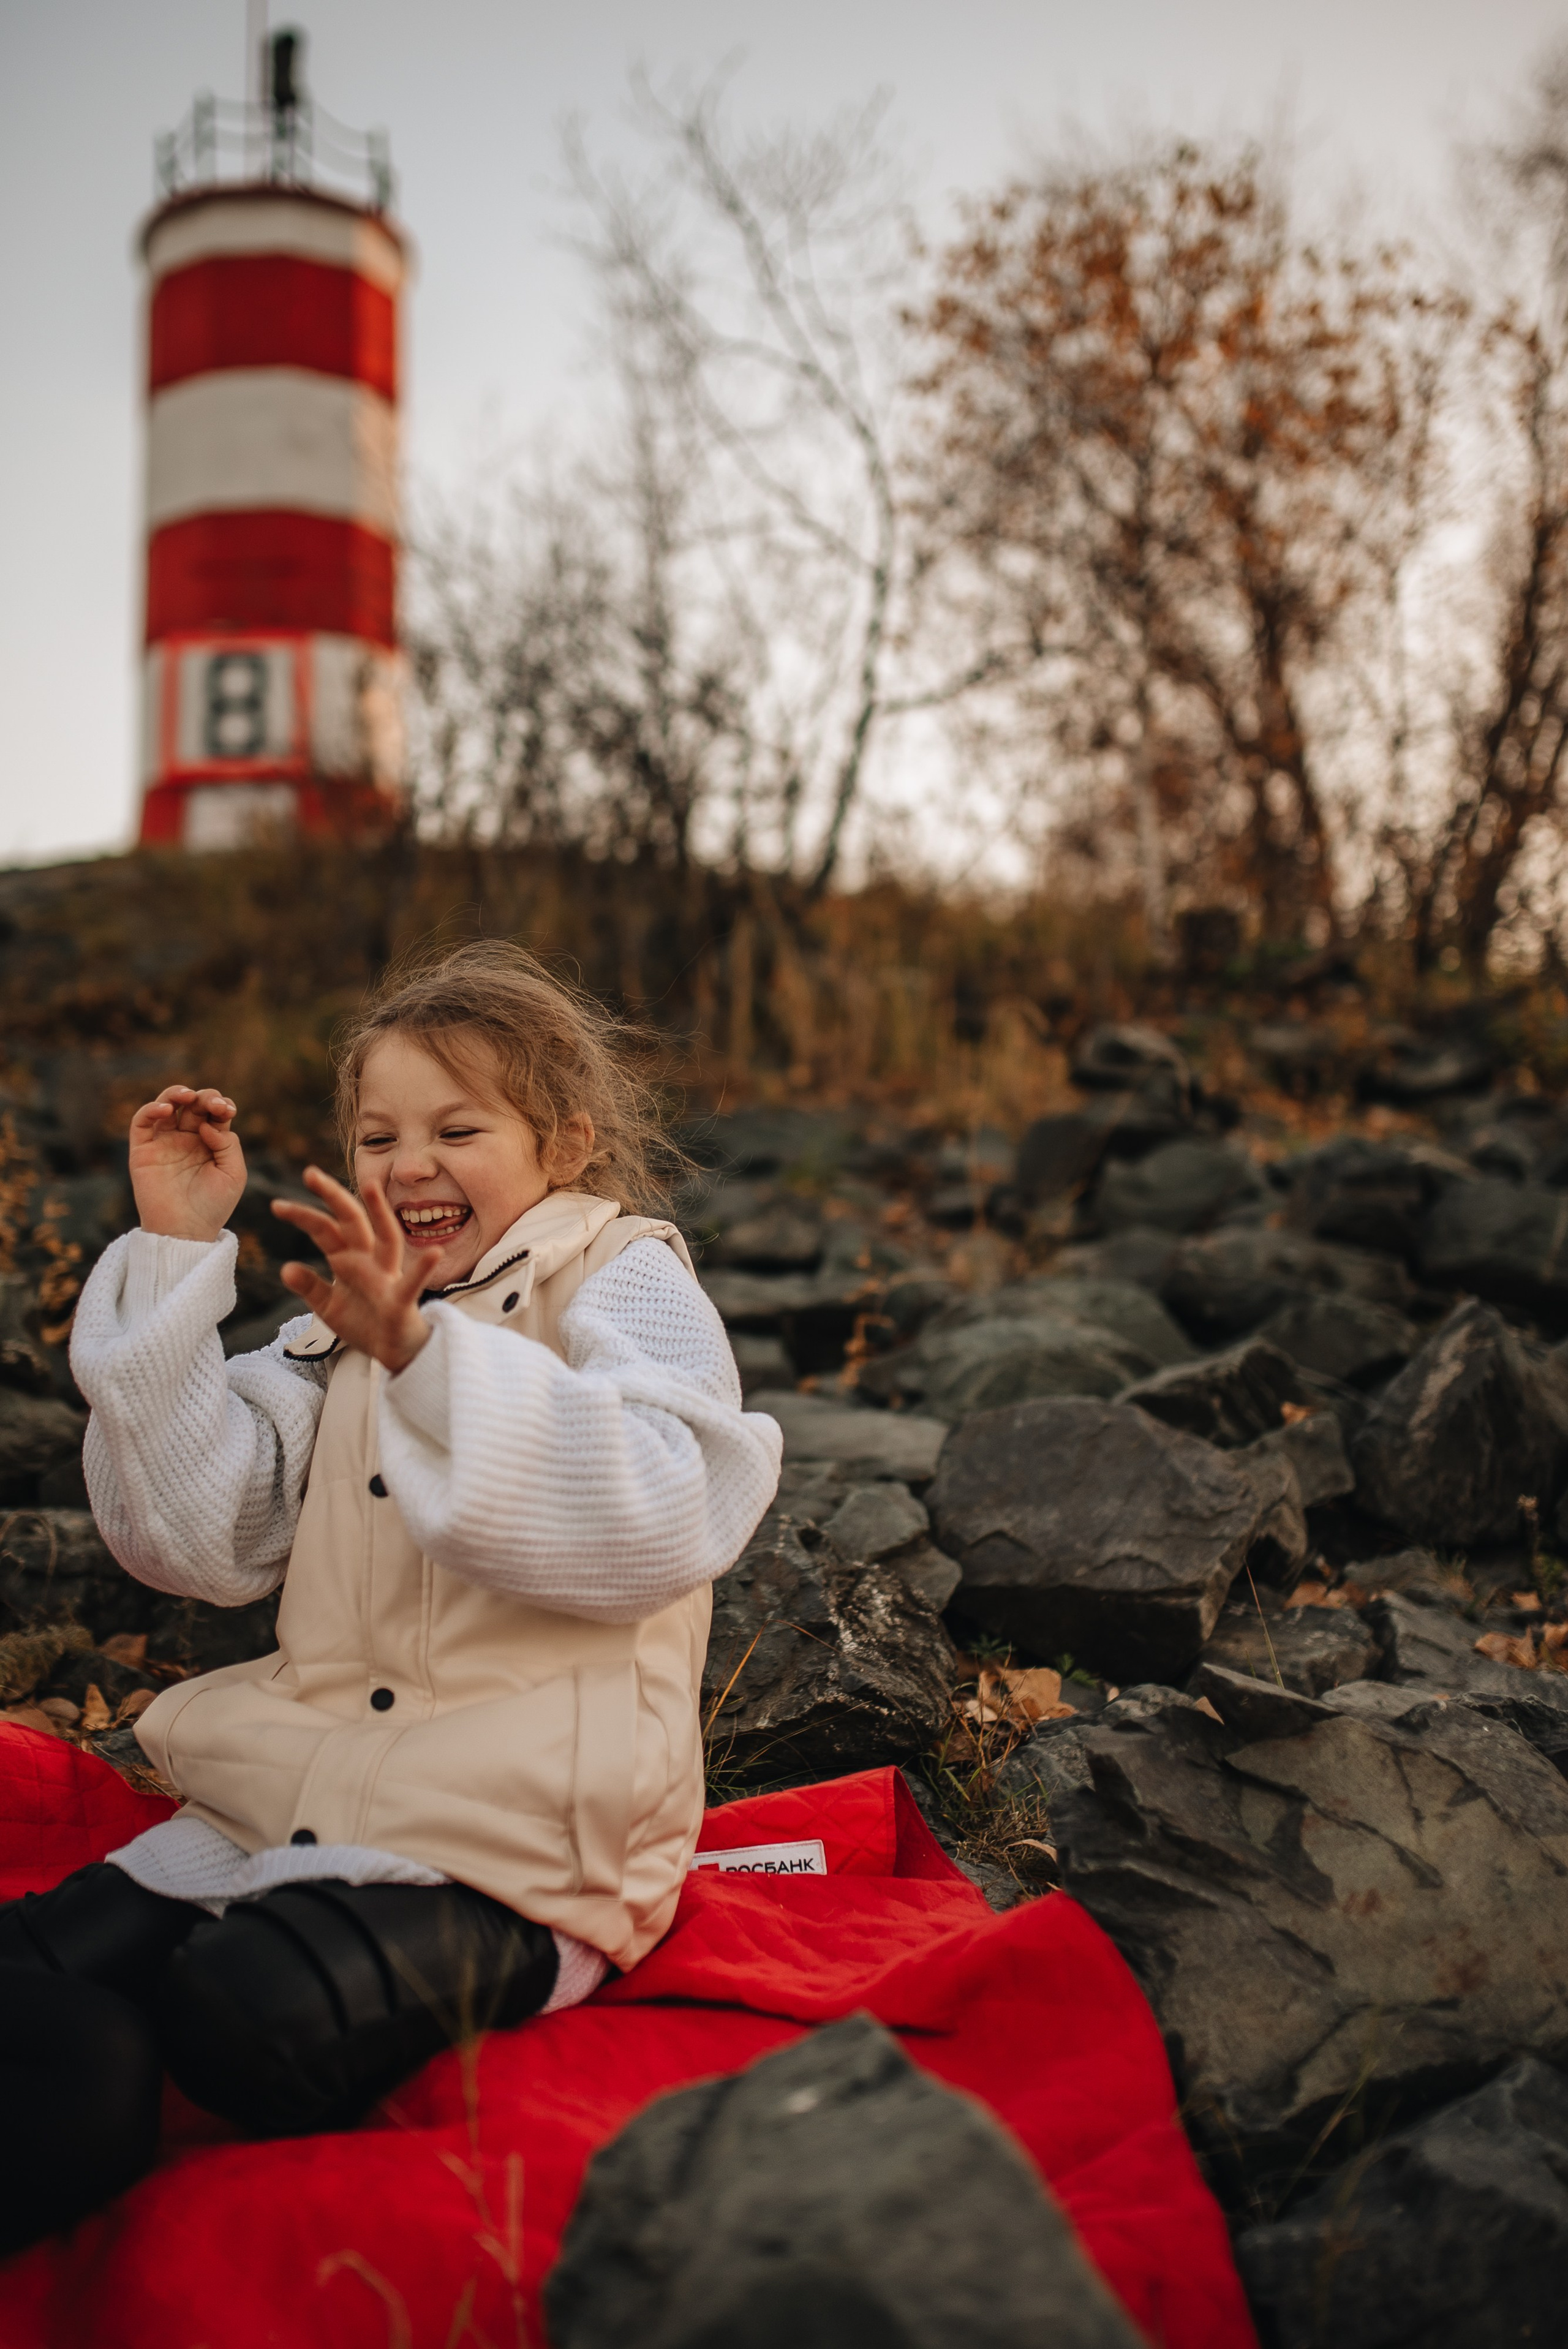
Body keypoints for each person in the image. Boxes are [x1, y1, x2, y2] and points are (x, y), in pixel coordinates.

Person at [0, 942, 781, 2254]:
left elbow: (671, 1505)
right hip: (294, 1785)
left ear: (568, 1142)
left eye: (456, 1127)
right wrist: (178, 1247)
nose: (406, 1162)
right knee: (44, 1985)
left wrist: (428, 1359)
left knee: (242, 2011)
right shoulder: (340, 1321)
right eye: (375, 1135)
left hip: (522, 1825)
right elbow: (201, 1533)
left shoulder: (623, 1271)